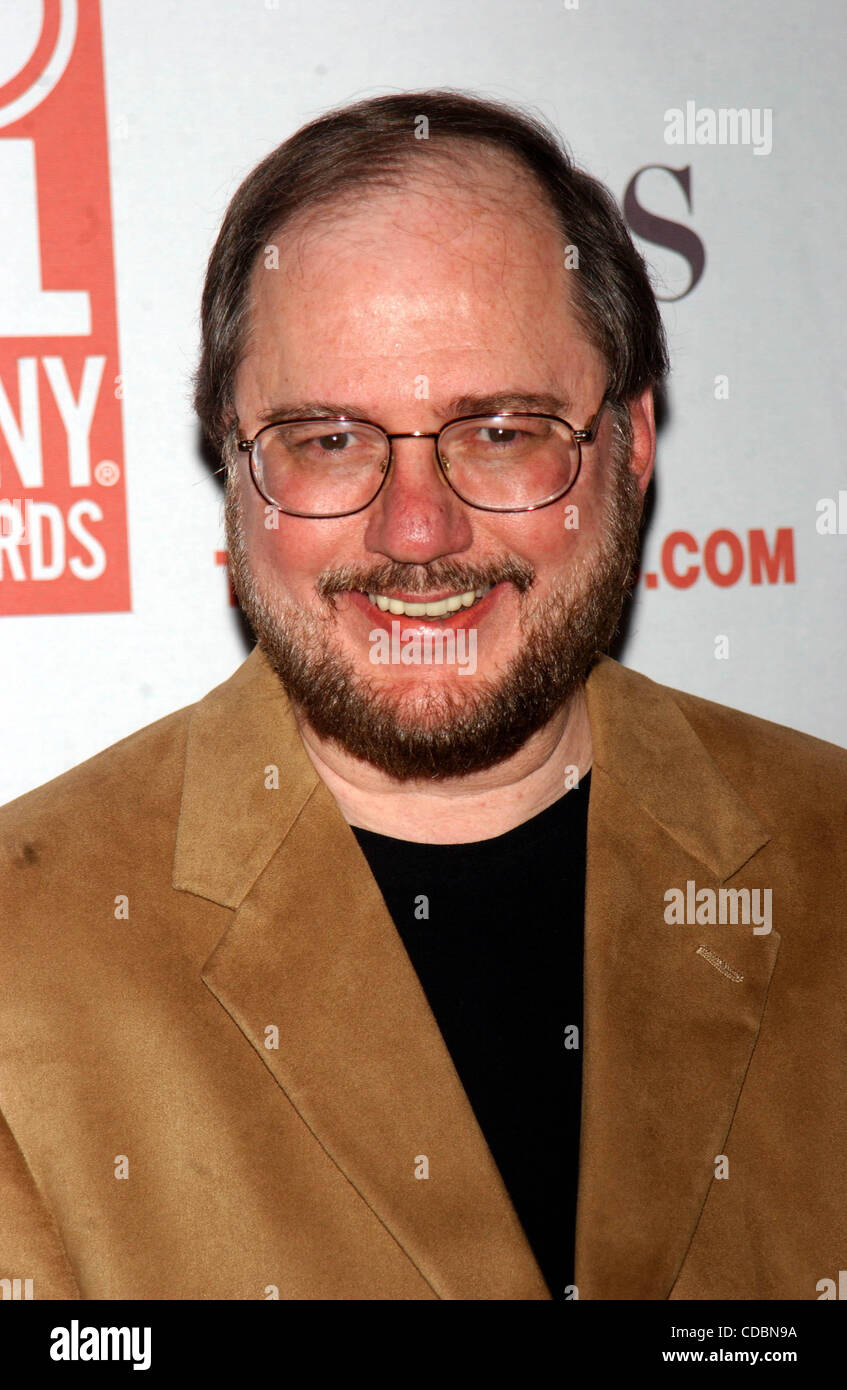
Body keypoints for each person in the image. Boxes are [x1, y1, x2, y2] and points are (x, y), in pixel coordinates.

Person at [1, 90, 844, 1303]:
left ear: (633, 444)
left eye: (500, 430)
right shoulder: (22, 963)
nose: (415, 529)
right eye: (329, 439)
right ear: (234, 476)